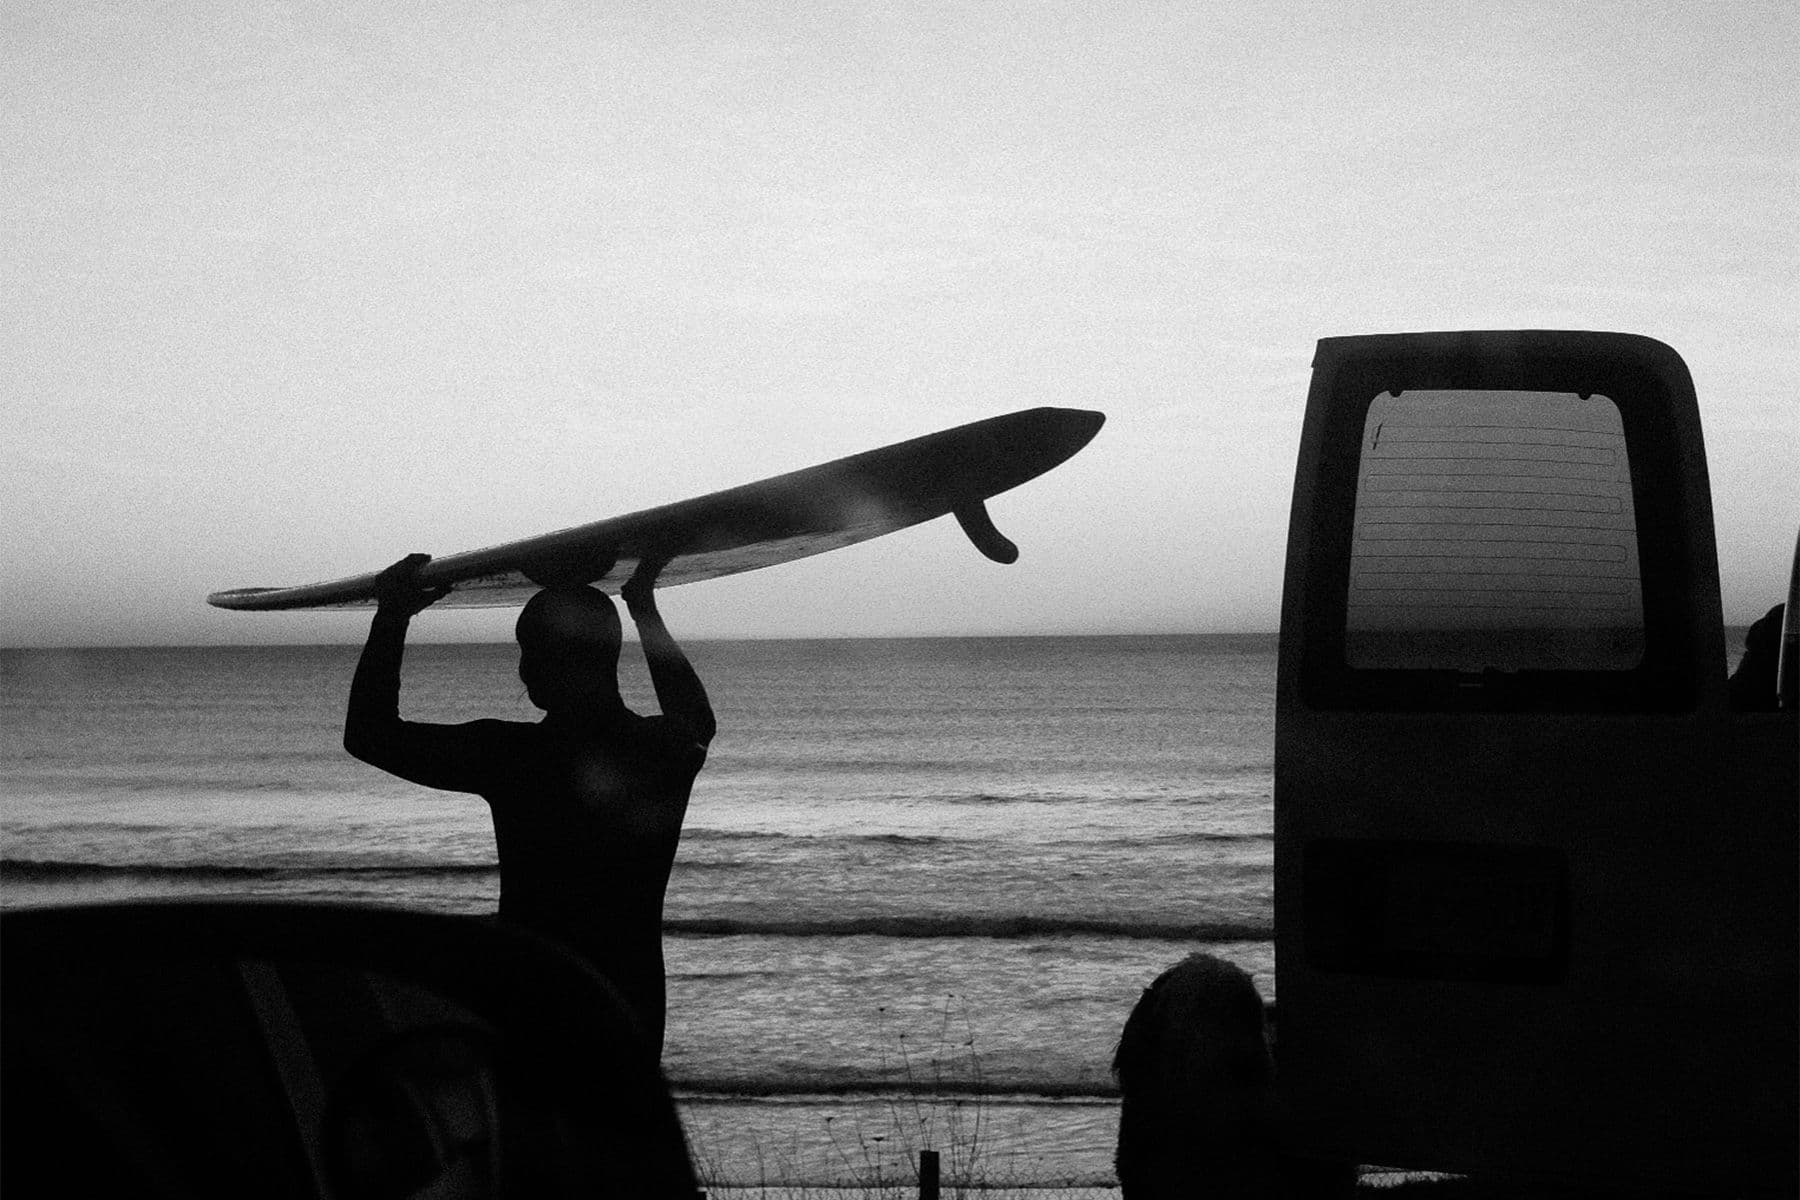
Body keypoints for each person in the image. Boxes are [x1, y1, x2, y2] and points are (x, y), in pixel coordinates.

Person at [344, 553, 715, 1057]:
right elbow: (695, 716)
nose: (523, 666)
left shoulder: (513, 757)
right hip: (629, 1000)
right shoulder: (664, 749)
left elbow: (369, 734)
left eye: (529, 650)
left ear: (541, 663)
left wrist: (392, 616)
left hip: (530, 997)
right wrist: (642, 605)